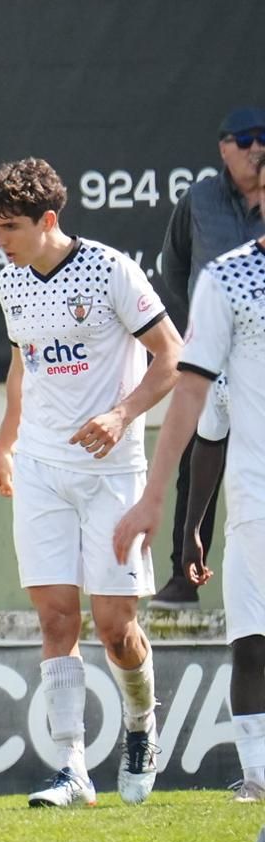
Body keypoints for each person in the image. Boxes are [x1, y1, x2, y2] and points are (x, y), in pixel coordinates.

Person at [0, 157, 181, 809]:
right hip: (42, 469)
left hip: (112, 474)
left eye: (11, 227)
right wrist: (7, 441)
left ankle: (141, 726)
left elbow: (172, 356)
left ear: (48, 220)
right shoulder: (11, 281)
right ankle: (71, 767)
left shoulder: (110, 270)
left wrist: (121, 415)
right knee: (56, 616)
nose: (0, 240)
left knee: (116, 626)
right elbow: (22, 365)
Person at [113, 227, 265, 806]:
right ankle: (257, 777)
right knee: (251, 643)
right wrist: (192, 528)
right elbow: (209, 440)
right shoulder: (230, 291)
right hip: (250, 510)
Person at [151, 107, 265, 610]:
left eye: (263, 138)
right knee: (201, 457)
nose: (256, 147)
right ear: (223, 147)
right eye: (245, 138)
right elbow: (173, 265)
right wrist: (203, 327)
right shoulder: (198, 200)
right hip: (213, 362)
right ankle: (184, 577)